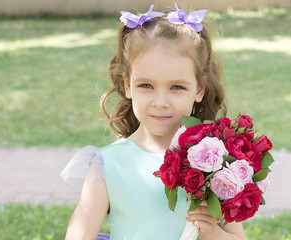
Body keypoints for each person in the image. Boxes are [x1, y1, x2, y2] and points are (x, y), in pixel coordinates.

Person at [61, 4, 246, 240]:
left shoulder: (215, 162)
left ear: (199, 88)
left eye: (177, 87)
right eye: (146, 86)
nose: (161, 102)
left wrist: (212, 233)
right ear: (128, 85)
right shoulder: (108, 164)